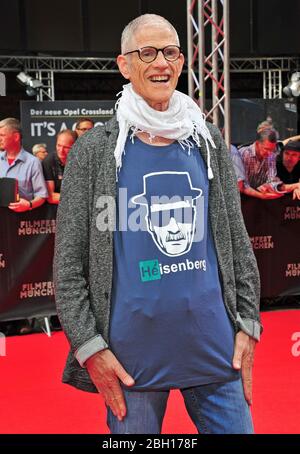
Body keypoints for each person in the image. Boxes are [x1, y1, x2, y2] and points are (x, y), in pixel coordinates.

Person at [54, 14, 261, 434]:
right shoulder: (95, 151)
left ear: (182, 62)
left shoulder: (207, 140)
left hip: (216, 350)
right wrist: (90, 347)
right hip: (130, 363)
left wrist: (248, 324)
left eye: (170, 52)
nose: (160, 63)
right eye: (146, 53)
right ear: (124, 65)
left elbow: (237, 240)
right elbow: (68, 265)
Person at [0, 117, 48, 212]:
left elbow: (42, 196)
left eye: (2, 135)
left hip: (22, 219)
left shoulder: (33, 162)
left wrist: (29, 204)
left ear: (16, 137)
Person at [233, 128, 284, 199]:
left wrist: (268, 186)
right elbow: (243, 186)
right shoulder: (244, 154)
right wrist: (261, 195)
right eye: (266, 149)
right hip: (242, 199)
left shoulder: (271, 155)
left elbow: (272, 178)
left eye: (272, 150)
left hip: (260, 198)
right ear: (257, 143)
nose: (269, 153)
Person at [42, 129, 77, 204]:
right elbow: (51, 197)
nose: (61, 150)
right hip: (56, 209)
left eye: (66, 147)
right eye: (59, 145)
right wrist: (76, 199)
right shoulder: (48, 161)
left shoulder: (81, 161)